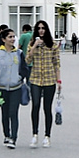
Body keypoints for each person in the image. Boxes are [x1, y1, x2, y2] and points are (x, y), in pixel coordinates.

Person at [0, 28, 29, 149]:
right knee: (5, 113)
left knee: (13, 112)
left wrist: (21, 77)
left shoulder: (18, 53)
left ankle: (13, 138)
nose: (13, 39)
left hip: (16, 87)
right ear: (3, 39)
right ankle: (7, 135)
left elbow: (24, 68)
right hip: (2, 87)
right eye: (10, 37)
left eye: (14, 37)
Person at [26, 20, 61, 148]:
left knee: (47, 108)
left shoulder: (53, 45)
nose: (41, 30)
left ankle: (47, 135)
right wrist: (35, 45)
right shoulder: (32, 44)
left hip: (49, 79)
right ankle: (35, 134)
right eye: (39, 28)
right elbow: (27, 59)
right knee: (35, 105)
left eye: (43, 28)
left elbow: (56, 63)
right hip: (35, 78)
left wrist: (59, 80)